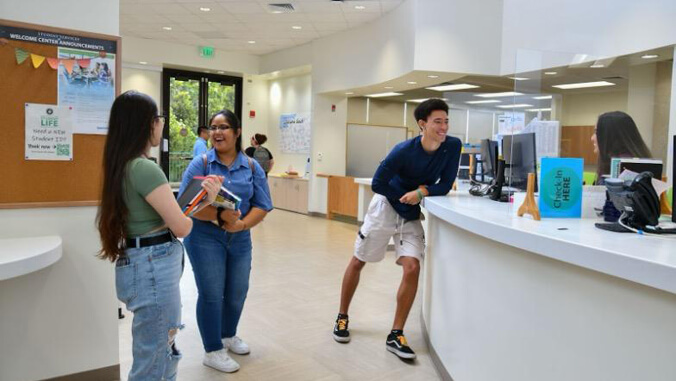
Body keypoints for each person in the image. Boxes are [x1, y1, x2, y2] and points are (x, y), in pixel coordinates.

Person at [96, 91, 221, 381]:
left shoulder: (122, 165)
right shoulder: (145, 168)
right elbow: (182, 227)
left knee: (158, 348)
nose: (161, 125)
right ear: (147, 124)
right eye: (159, 119)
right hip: (153, 266)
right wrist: (208, 199)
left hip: (140, 263)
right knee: (154, 357)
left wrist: (198, 200)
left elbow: (166, 217)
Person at [332, 98, 461, 360]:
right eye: (438, 121)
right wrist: (405, 198)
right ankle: (342, 316)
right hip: (386, 205)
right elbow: (378, 183)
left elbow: (445, 184)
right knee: (359, 260)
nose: (444, 126)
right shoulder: (403, 150)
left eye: (446, 121)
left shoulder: (452, 147)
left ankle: (396, 333)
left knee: (412, 266)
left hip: (410, 208)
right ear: (422, 124)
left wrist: (422, 191)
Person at [178, 109, 273, 373]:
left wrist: (240, 225)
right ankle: (212, 350)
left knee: (237, 292)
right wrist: (220, 217)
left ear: (237, 132)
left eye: (224, 127)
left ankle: (228, 335)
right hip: (204, 238)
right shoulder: (202, 163)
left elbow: (263, 205)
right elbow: (185, 204)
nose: (217, 133)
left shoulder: (251, 166)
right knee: (211, 294)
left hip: (240, 238)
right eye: (213, 128)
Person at [592, 111, 652, 182]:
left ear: (611, 136)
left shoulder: (622, 166)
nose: (592, 138)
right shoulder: (634, 161)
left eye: (596, 132)